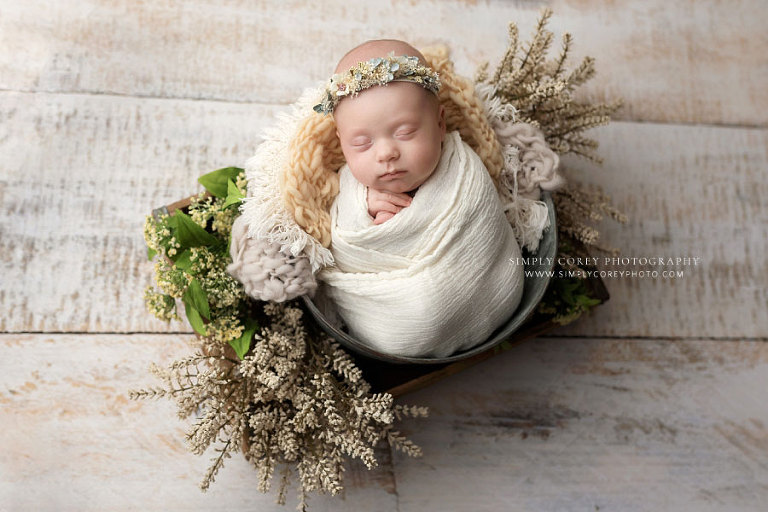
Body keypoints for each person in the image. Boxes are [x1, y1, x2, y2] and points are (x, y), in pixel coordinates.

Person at [313, 39, 525, 358]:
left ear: (440, 125)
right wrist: (366, 215)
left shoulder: (463, 169)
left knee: (433, 304)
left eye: (405, 133)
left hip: (485, 290)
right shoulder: (348, 187)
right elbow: (340, 243)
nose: (386, 153)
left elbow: (484, 228)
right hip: (395, 321)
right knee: (421, 314)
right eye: (361, 143)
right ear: (342, 144)